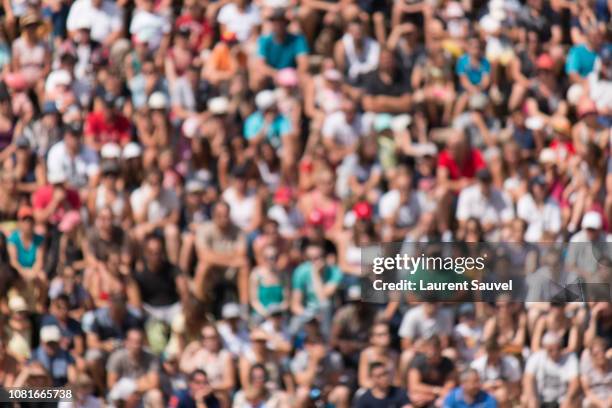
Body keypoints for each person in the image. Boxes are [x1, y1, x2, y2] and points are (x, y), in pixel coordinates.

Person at [106, 328, 163, 407]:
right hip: (122, 396)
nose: (137, 346)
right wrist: (132, 388)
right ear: (127, 342)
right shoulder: (117, 357)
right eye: (134, 342)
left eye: (139, 342)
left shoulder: (151, 358)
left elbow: (154, 384)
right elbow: (111, 383)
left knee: (156, 395)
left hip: (143, 395)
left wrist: (134, 390)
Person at [523, 332, 580, 408]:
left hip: (562, 400)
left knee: (575, 402)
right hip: (540, 398)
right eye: (550, 350)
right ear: (544, 348)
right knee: (525, 399)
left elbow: (575, 382)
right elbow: (528, 378)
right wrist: (532, 397)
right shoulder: (536, 357)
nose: (555, 352)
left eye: (558, 348)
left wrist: (568, 398)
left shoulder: (570, 358)